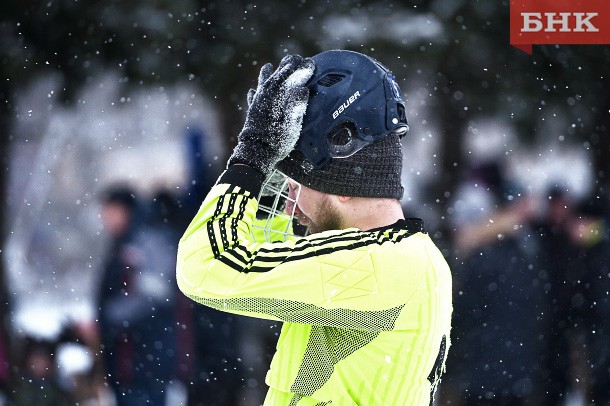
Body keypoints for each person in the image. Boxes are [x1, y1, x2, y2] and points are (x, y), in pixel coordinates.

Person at [176, 50, 452, 405]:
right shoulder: (406, 257)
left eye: (296, 187)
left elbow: (207, 267)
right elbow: (259, 244)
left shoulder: (374, 266)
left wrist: (253, 154)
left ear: (343, 188)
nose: (290, 206)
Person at [97, 185, 180, 405]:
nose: (105, 218)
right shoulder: (125, 242)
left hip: (145, 356)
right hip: (130, 359)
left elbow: (156, 292)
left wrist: (110, 317)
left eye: (110, 211)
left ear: (126, 210)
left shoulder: (147, 241)